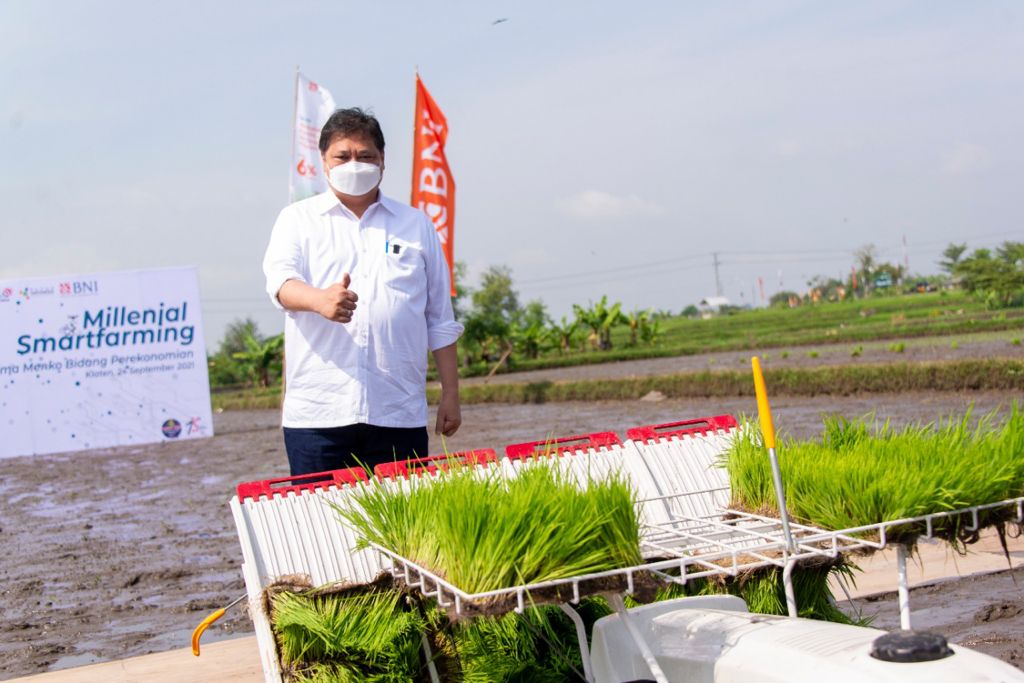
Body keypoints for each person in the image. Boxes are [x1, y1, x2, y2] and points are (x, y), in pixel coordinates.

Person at [263, 107, 463, 476]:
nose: (355, 164)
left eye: (366, 155)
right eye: (343, 156)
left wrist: (450, 393)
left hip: (397, 411)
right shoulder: (297, 220)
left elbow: (439, 318)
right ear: (324, 161)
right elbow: (280, 283)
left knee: (405, 528)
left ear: (383, 160)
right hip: (318, 414)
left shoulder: (415, 225)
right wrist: (319, 300)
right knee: (322, 527)